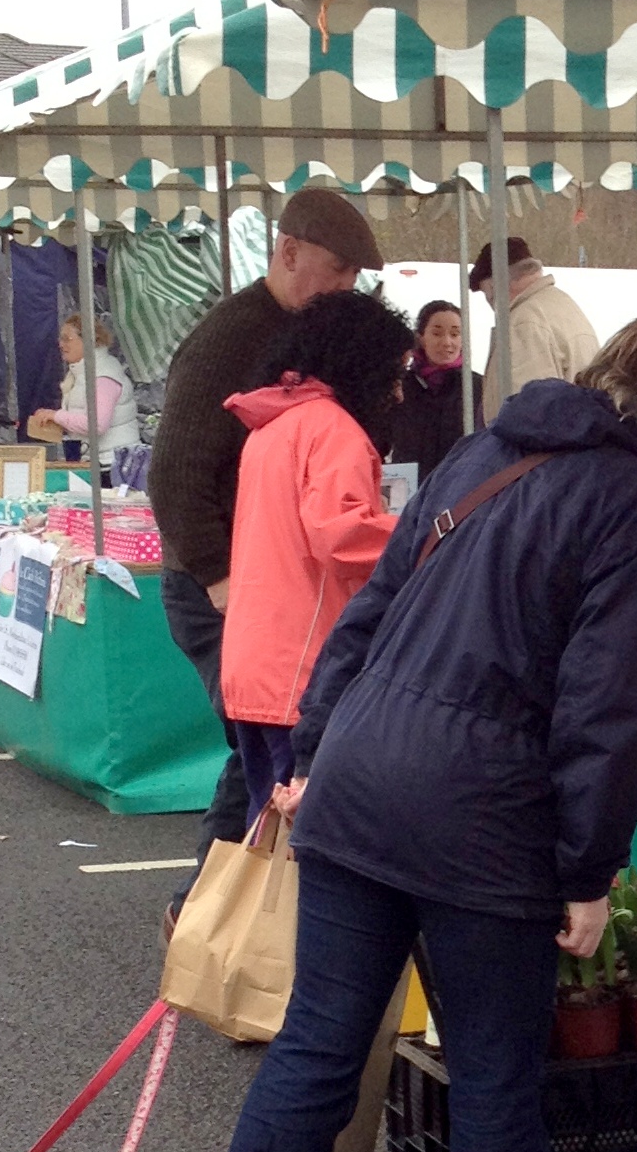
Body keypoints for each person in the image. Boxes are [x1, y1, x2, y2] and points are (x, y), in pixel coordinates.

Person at [183, 309, 637, 1152]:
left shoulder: (486, 450)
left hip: (363, 778)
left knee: (316, 1046)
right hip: (485, 815)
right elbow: (609, 711)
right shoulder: (635, 509)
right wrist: (587, 870)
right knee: (495, 1072)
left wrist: (314, 750)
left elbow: (370, 614)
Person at [146, 186, 386, 934]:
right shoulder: (232, 337)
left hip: (250, 581)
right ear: (287, 253)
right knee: (265, 746)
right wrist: (219, 577)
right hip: (223, 583)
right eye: (338, 271)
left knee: (256, 747)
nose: (346, 288)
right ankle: (209, 914)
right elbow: (174, 471)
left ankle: (212, 913)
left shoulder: (280, 339)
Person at [220, 291, 409, 825]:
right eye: (394, 374)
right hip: (303, 665)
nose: (398, 392)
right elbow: (342, 536)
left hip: (255, 658)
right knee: (307, 834)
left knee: (266, 828)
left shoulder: (273, 425)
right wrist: (427, 533)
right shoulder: (333, 429)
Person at [470, 237, 599, 421]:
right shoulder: (563, 305)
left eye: (487, 294)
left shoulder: (524, 323)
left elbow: (526, 417)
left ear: (495, 285)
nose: (491, 305)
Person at [27, 310, 141, 460]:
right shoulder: (83, 373)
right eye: (60, 339)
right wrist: (53, 418)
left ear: (87, 340)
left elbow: (96, 424)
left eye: (67, 339)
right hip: (100, 459)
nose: (60, 344)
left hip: (114, 463)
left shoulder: (103, 376)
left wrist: (56, 416)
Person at [391, 298, 471, 482]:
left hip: (460, 487)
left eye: (455, 334)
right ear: (420, 337)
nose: (447, 342)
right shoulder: (400, 385)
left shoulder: (475, 386)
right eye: (437, 333)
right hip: (407, 487)